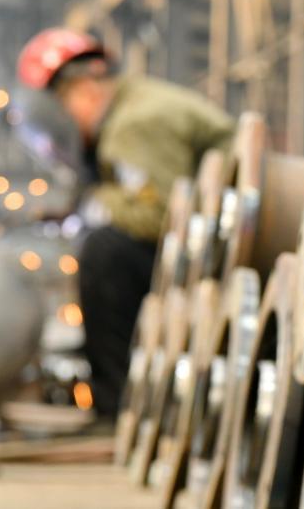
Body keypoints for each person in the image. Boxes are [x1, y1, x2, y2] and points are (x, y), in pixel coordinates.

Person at [17, 28, 234, 419]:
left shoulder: (135, 123)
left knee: (106, 252)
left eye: (63, 105)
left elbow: (158, 218)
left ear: (86, 89)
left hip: (227, 253)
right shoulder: (134, 106)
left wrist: (93, 204)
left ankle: (115, 407)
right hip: (210, 243)